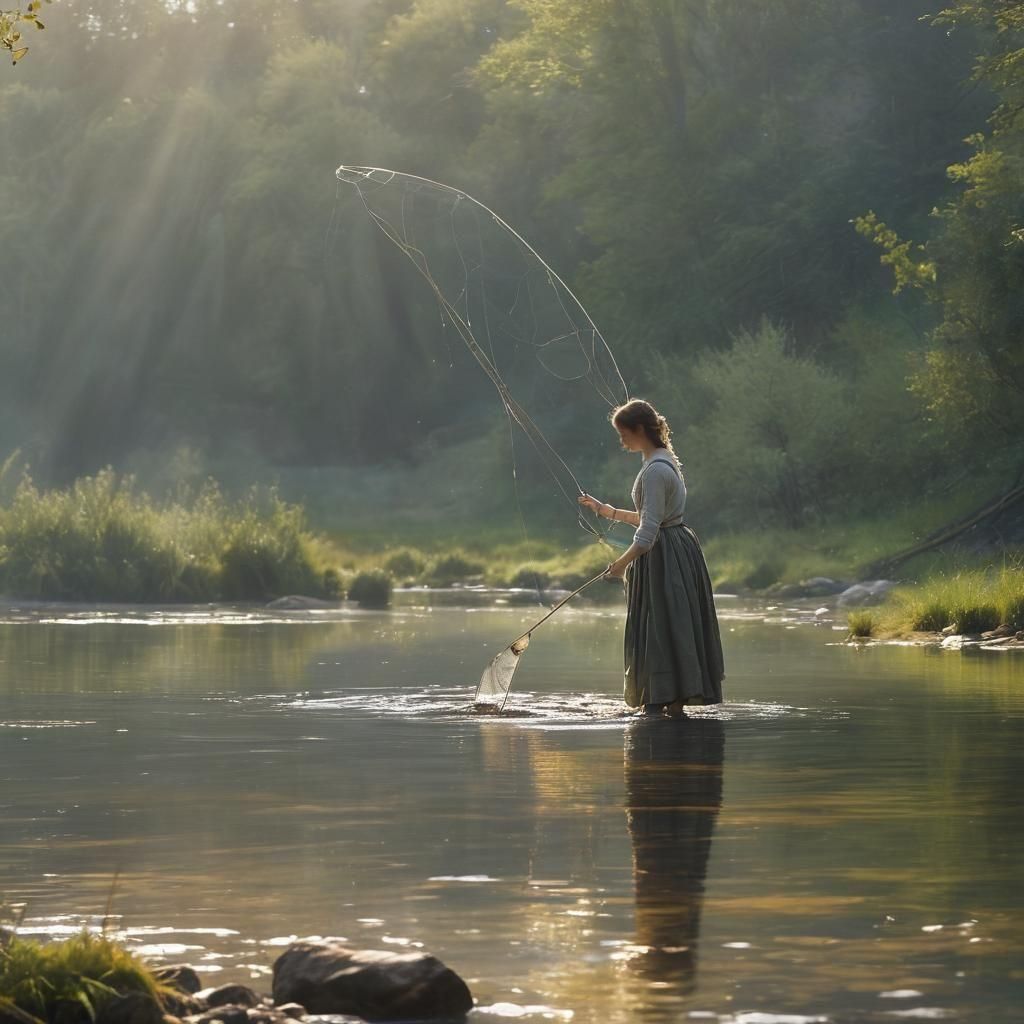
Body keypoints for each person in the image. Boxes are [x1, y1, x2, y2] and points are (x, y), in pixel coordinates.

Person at [579, 399, 724, 713]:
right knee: (670, 627)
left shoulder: (655, 471)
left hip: (664, 559)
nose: (621, 440)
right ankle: (670, 706)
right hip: (675, 551)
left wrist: (619, 565)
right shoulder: (662, 460)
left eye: (623, 433)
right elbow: (653, 518)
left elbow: (648, 534)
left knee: (661, 629)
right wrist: (608, 512)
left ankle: (663, 706)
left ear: (640, 429)